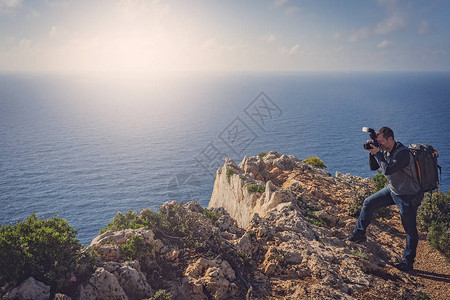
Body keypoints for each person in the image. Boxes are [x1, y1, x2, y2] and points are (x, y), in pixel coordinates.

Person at [346, 126, 423, 271]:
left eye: (381, 141)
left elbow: (387, 170)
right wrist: (372, 152)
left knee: (410, 230)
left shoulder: (403, 153)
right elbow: (374, 168)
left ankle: (407, 263)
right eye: (378, 141)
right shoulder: (385, 150)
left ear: (390, 139)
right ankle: (359, 235)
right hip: (394, 190)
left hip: (407, 195)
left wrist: (377, 152)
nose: (379, 143)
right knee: (368, 203)